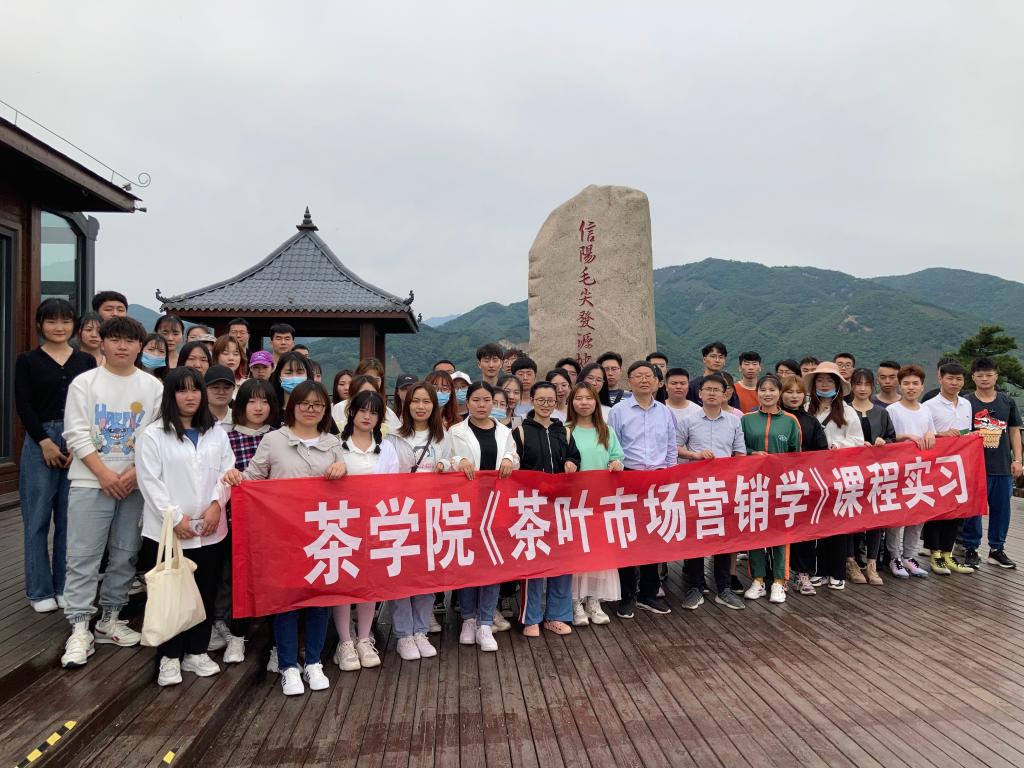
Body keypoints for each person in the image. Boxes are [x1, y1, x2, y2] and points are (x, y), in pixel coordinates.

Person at [225, 380, 347, 695]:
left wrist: (342, 469)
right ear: (293, 406)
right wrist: (236, 477)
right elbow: (252, 478)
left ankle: (314, 662)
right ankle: (288, 665)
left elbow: (346, 485)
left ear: (325, 410)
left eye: (318, 404)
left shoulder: (333, 442)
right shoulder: (273, 440)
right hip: (282, 536)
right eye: (305, 403)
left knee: (319, 600)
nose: (311, 409)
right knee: (286, 602)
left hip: (321, 535)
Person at [59, 316, 163, 669]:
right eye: (115, 339)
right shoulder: (84, 383)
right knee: (83, 555)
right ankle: (79, 627)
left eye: (129, 341)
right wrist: (104, 473)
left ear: (140, 346)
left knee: (125, 553)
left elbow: (154, 436)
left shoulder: (152, 387)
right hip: (90, 481)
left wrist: (134, 473)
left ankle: (110, 618)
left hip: (134, 484)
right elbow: (75, 433)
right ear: (101, 342)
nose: (122, 346)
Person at [136, 367, 234, 686]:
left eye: (195, 390)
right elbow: (149, 481)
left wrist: (217, 504)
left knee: (204, 592)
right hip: (168, 532)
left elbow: (227, 471)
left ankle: (196, 651)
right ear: (170, 395)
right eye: (182, 390)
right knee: (172, 595)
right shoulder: (153, 434)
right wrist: (175, 517)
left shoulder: (216, 432)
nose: (190, 396)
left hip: (210, 529)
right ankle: (169, 656)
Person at [15, 299, 97, 613]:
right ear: (40, 325)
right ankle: (39, 591)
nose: (58, 327)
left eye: (65, 321)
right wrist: (44, 442)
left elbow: (90, 404)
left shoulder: (85, 361)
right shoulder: (27, 360)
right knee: (36, 519)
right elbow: (24, 405)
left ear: (73, 325)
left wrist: (78, 444)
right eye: (51, 321)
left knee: (69, 520)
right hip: (40, 440)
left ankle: (64, 586)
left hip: (77, 440)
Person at [208, 378, 279, 664]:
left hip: (274, 524)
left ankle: (276, 642)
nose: (258, 407)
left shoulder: (279, 437)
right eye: (251, 401)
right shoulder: (225, 438)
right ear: (240, 405)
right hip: (235, 521)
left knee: (272, 580)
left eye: (264, 401)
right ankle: (235, 634)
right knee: (235, 578)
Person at [332, 391, 399, 671]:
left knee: (369, 583)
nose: (367, 416)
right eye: (362, 410)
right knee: (343, 583)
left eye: (373, 412)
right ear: (351, 412)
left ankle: (363, 638)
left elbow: (393, 487)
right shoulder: (336, 445)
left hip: (374, 524)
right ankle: (344, 641)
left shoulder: (387, 448)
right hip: (343, 525)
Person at [449, 383, 519, 652]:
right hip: (466, 507)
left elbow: (514, 456)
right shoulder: (455, 431)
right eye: (476, 400)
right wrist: (458, 462)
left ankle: (486, 622)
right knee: (467, 563)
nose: (482, 405)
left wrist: (510, 459)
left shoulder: (504, 431)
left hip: (497, 507)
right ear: (467, 402)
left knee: (492, 564)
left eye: (487, 400)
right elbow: (445, 459)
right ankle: (468, 619)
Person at [608, 361, 677, 617]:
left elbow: (671, 446)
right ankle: (627, 595)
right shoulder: (618, 411)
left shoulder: (665, 412)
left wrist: (670, 474)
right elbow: (613, 445)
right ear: (629, 382)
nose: (644, 380)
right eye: (638, 376)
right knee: (627, 537)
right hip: (628, 477)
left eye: (649, 376)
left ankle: (649, 593)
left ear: (658, 382)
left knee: (653, 537)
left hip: (658, 479)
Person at [388, 381, 452, 657]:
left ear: (434, 406)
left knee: (428, 573)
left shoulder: (443, 437)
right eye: (416, 401)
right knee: (401, 574)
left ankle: (421, 630)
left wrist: (448, 464)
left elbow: (453, 465)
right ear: (406, 404)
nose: (421, 406)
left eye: (427, 401)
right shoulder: (393, 437)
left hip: (432, 514)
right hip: (402, 514)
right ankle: (404, 634)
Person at [513, 381, 581, 638]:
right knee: (533, 561)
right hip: (531, 507)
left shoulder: (564, 431)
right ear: (532, 400)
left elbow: (574, 456)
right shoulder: (520, 432)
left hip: (560, 505)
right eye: (540, 400)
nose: (545, 405)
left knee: (562, 561)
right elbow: (515, 467)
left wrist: (572, 463)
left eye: (550, 400)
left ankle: (557, 616)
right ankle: (531, 617)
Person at [677, 373, 747, 611]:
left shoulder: (734, 421)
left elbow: (740, 453)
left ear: (725, 394)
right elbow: (675, 448)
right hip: (695, 487)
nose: (712, 393)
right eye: (708, 389)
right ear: (700, 393)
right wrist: (694, 455)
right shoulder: (688, 420)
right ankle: (695, 587)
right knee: (695, 538)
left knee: (723, 538)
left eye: (717, 390)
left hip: (724, 487)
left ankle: (724, 588)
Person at [565, 382, 623, 626]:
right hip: (573, 502)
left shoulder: (606, 431)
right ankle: (575, 602)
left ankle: (594, 600)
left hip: (600, 502)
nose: (584, 403)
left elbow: (617, 456)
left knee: (598, 552)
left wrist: (616, 464)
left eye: (589, 398)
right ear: (572, 402)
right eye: (578, 398)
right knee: (576, 552)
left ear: (596, 402)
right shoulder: (565, 430)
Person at [740, 374, 801, 604]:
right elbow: (739, 450)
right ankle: (758, 579)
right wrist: (751, 454)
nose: (767, 393)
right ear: (757, 393)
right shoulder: (746, 420)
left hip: (781, 486)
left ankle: (778, 581)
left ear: (779, 393)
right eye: (763, 389)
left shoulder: (790, 421)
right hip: (754, 485)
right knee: (755, 531)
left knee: (781, 533)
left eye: (772, 389)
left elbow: (797, 455)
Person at [805, 361, 864, 591]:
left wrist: (837, 445)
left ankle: (837, 572)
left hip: (840, 475)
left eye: (829, 380)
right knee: (818, 524)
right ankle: (819, 571)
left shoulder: (847, 411)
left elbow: (858, 440)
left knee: (838, 525)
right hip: (814, 475)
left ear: (837, 384)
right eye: (820, 380)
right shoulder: (808, 408)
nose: (824, 384)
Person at [961, 357, 1022, 569]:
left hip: (1002, 465)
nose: (984, 379)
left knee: (1002, 509)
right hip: (974, 466)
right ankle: (971, 548)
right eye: (980, 375)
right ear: (973, 377)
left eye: (989, 375)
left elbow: (1014, 431)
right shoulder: (966, 402)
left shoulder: (1007, 401)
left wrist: (1017, 460)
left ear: (996, 376)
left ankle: (997, 549)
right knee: (973, 510)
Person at [883, 364, 937, 579]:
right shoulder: (892, 410)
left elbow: (931, 434)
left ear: (922, 386)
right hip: (898, 470)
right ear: (900, 385)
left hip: (921, 470)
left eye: (915, 383)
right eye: (906, 383)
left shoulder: (926, 410)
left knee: (917, 514)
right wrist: (905, 437)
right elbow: (887, 437)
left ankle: (909, 556)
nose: (911, 387)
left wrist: (932, 435)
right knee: (896, 516)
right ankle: (894, 557)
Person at [922, 362, 975, 575]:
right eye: (950, 378)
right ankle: (935, 554)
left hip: (960, 465)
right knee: (936, 510)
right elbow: (924, 435)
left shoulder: (966, 404)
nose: (954, 383)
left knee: (956, 510)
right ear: (940, 379)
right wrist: (940, 435)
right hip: (937, 466)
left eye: (959, 379)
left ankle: (948, 554)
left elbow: (967, 432)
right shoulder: (929, 405)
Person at [780, 376, 829, 595]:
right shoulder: (774, 418)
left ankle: (803, 574)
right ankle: (776, 576)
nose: (794, 396)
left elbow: (822, 453)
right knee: (777, 532)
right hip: (776, 485)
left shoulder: (811, 421)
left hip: (804, 485)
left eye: (798, 392)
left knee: (804, 532)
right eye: (789, 391)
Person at [848, 368, 895, 585]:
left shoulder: (881, 413)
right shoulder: (845, 411)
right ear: (851, 386)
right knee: (851, 517)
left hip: (877, 473)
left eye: (867, 384)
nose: (862, 388)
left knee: (876, 518)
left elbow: (892, 438)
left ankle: (872, 564)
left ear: (872, 386)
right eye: (858, 384)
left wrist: (885, 442)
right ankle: (851, 562)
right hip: (851, 474)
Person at [688, 342, 740, 408]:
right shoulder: (693, 386)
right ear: (704, 359)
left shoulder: (729, 385)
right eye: (713, 356)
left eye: (721, 357)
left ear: (724, 361)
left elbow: (734, 409)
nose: (717, 360)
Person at [663, 368, 698, 450]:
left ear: (688, 386)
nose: (678, 387)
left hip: (691, 457)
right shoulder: (659, 409)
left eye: (683, 383)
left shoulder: (697, 410)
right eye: (674, 383)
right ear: (666, 386)